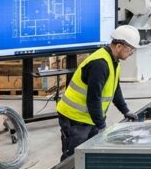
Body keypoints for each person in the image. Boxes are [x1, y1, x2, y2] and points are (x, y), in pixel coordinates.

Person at [55, 25, 139, 160]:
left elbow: (114, 88)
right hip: (75, 118)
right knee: (74, 158)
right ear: (118, 46)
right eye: (130, 49)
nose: (131, 53)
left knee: (89, 154)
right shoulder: (100, 64)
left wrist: (125, 111)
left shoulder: (113, 61)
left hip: (89, 117)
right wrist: (101, 125)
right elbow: (93, 98)